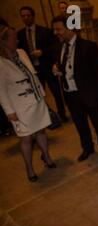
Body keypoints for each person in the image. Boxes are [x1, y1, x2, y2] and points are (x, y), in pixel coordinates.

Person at [52, 15, 98, 161]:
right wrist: (57, 69)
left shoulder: (88, 46)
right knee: (80, 125)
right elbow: (63, 65)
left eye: (59, 29)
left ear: (69, 29)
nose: (56, 33)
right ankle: (87, 148)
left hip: (89, 95)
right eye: (54, 30)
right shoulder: (59, 47)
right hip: (70, 95)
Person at [0, 25, 56, 181]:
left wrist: (42, 97)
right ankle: (30, 169)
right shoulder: (1, 63)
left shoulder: (22, 52)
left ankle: (47, 157)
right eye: (13, 38)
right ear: (4, 42)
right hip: (19, 108)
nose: (17, 40)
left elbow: (34, 76)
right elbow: (1, 91)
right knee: (26, 139)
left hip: (36, 101)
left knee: (41, 132)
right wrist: (9, 112)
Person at [17, 6, 68, 122]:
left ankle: (62, 114)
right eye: (23, 16)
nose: (25, 18)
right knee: (39, 95)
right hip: (33, 69)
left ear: (33, 16)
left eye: (28, 15)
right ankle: (47, 117)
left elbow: (55, 46)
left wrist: (42, 52)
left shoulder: (45, 31)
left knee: (56, 92)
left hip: (47, 66)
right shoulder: (20, 34)